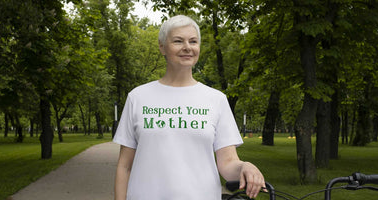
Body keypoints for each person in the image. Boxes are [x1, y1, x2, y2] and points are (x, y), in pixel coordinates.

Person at [113, 15, 265, 200]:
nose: (187, 47)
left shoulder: (216, 99)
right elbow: (124, 166)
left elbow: (227, 163)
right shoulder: (138, 97)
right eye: (178, 41)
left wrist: (244, 167)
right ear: (162, 47)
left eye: (193, 41)